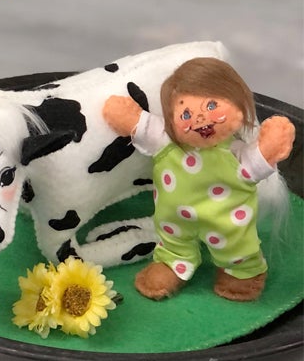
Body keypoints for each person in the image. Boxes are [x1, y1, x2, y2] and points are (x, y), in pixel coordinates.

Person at [103, 57, 295, 301]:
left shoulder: (236, 155)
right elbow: (141, 125)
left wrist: (269, 146)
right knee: (174, 240)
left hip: (226, 221)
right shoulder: (166, 142)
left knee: (236, 246)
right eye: (185, 113)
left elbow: (257, 161)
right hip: (174, 221)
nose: (199, 118)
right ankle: (174, 261)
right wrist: (129, 117)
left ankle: (242, 270)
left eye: (212, 105)